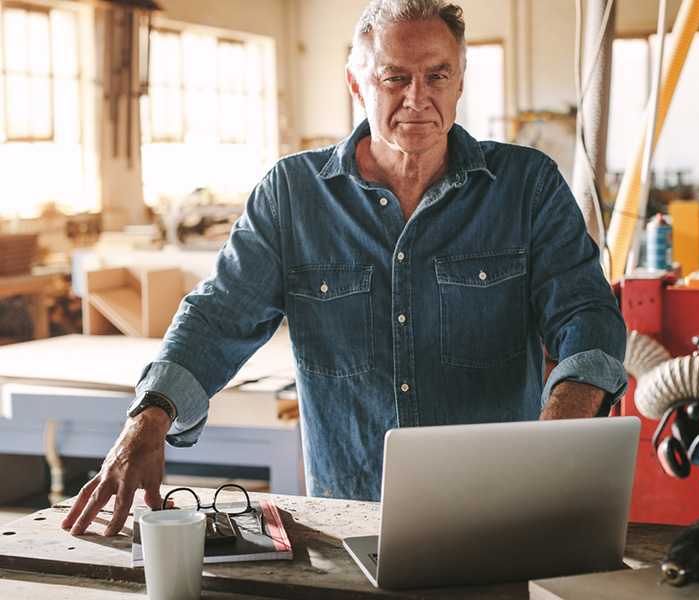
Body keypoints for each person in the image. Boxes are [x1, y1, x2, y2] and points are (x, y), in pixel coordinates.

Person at [63, 0, 628, 537]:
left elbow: (587, 314)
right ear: (356, 83)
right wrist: (150, 416)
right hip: (349, 518)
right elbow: (218, 318)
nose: (417, 98)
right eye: (394, 78)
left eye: (436, 76)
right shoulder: (291, 196)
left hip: (502, 508)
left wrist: (557, 441)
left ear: (459, 81)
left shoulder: (526, 186)